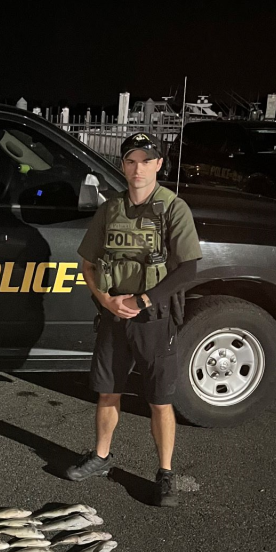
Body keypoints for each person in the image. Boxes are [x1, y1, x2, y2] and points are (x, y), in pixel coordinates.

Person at [66, 132, 202, 506]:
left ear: (159, 164)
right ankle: (100, 457)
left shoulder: (173, 209)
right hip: (114, 317)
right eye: (131, 160)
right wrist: (105, 299)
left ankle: (166, 474)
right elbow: (88, 265)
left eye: (146, 160)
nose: (138, 168)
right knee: (107, 390)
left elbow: (188, 268)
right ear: (122, 165)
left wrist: (143, 299)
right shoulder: (110, 209)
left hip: (154, 319)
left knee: (159, 399)